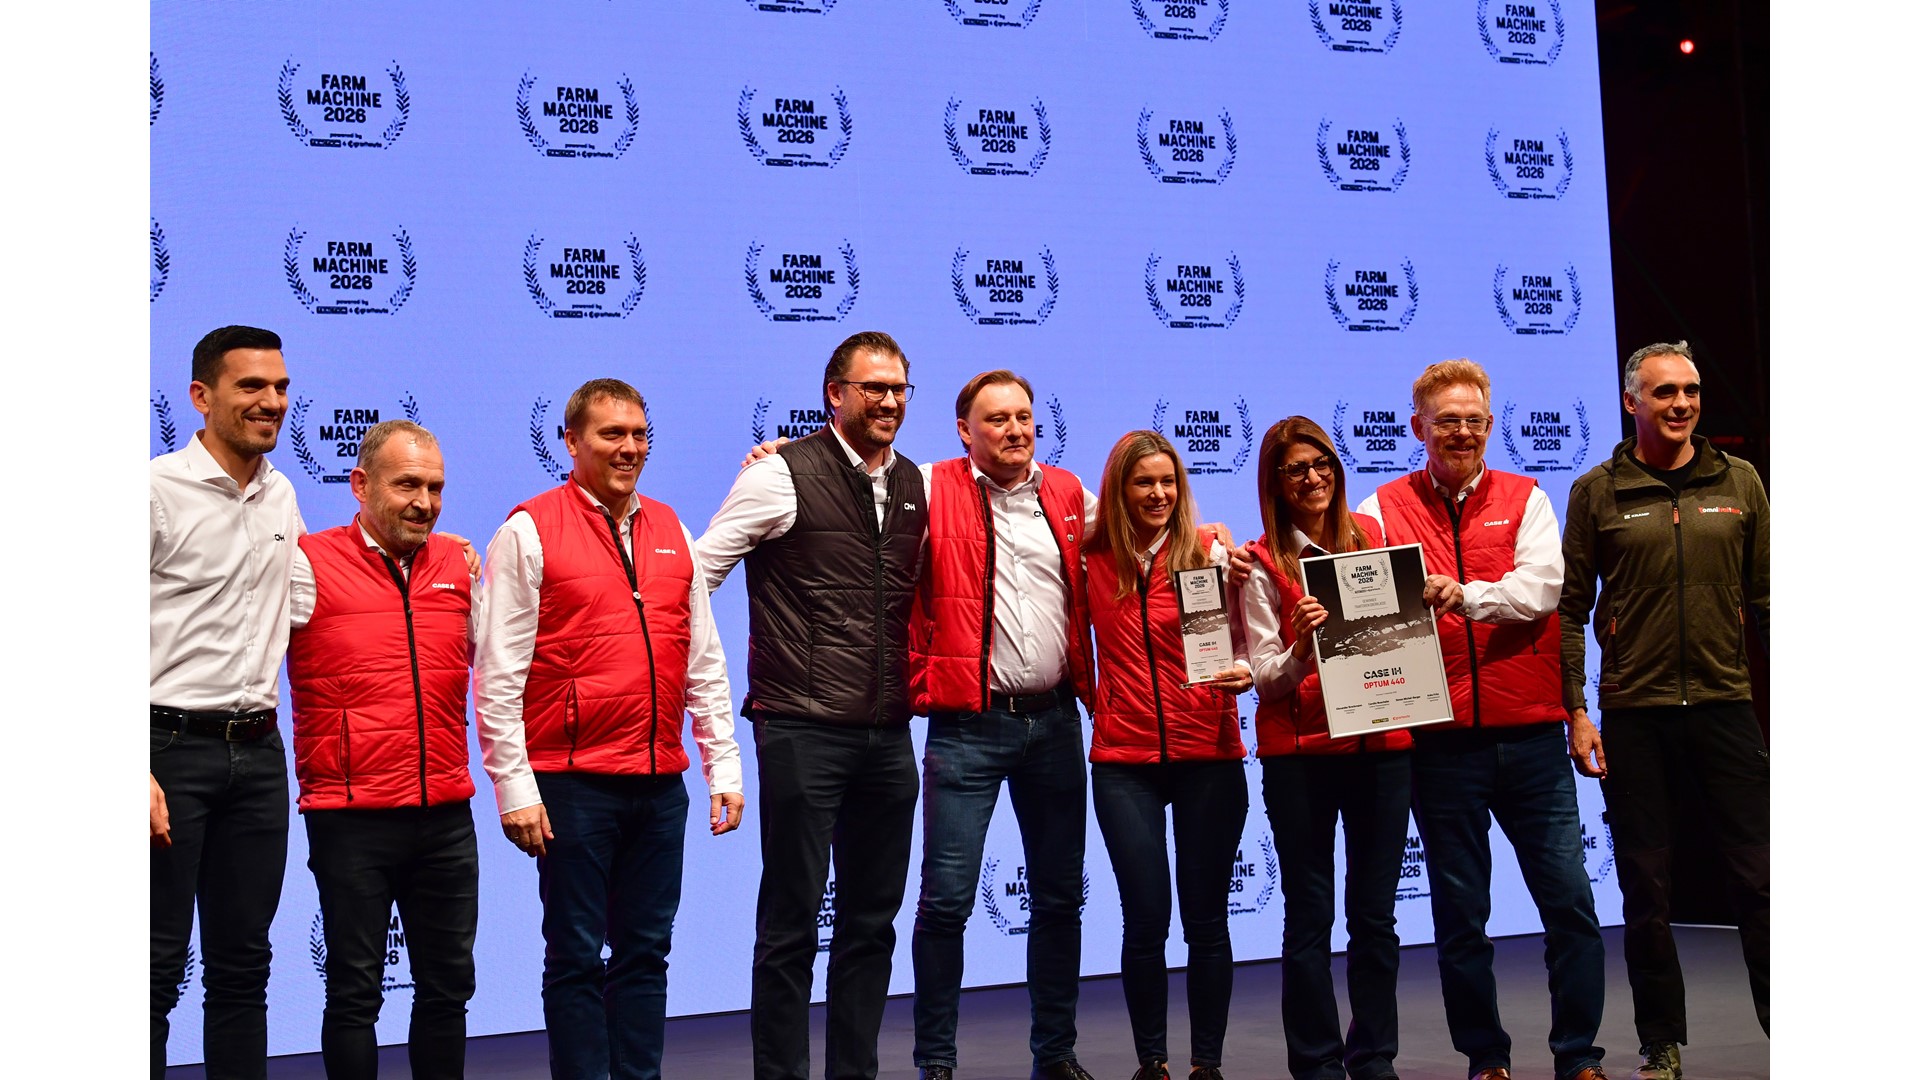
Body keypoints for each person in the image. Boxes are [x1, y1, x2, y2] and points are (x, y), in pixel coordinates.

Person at [474, 378, 744, 1080]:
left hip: (658, 784)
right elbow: (498, 675)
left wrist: (723, 766)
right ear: (571, 442)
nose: (629, 448)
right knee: (573, 955)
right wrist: (513, 787)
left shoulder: (672, 530)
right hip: (570, 785)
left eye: (638, 434)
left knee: (646, 953)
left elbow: (703, 660)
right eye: (611, 435)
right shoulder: (528, 530)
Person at [1355, 359, 1609, 1080]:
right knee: (1460, 917)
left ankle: (1578, 1056)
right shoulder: (1380, 510)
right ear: (1418, 429)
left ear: (1491, 426)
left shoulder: (1527, 499)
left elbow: (1540, 591)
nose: (1461, 433)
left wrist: (1463, 595)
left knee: (1570, 903)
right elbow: (1345, 580)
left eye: (1473, 421)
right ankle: (1485, 1058)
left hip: (1529, 735)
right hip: (1439, 746)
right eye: (1446, 422)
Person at [699, 331, 929, 1080]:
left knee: (870, 927)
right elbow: (698, 576)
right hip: (800, 727)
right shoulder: (779, 475)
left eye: (899, 389)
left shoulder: (917, 484)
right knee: (792, 924)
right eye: (874, 388)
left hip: (888, 734)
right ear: (835, 393)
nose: (889, 402)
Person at [1557, 341, 1769, 1080]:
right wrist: (1577, 711)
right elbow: (1570, 608)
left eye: (1691, 391)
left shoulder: (1739, 481)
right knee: (1646, 888)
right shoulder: (1597, 491)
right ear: (1631, 402)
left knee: (1761, 881)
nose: (1681, 404)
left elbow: (1768, 600)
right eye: (1664, 393)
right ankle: (1661, 1042)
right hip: (1635, 714)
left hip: (1724, 707)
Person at [907, 370, 1100, 1080]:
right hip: (968, 728)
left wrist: (1202, 533)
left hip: (1053, 725)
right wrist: (778, 456)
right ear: (965, 431)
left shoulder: (1070, 492)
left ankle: (1056, 1056)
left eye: (1023, 416)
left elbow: (1147, 532)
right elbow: (844, 478)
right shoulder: (927, 486)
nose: (1015, 430)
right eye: (997, 420)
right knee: (947, 901)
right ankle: (936, 1063)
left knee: (1057, 897)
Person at [286, 419, 480, 1080]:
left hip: (446, 812)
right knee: (354, 996)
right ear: (360, 485)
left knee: (448, 989)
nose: (424, 501)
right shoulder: (305, 562)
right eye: (407, 485)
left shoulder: (459, 563)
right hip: (350, 815)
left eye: (435, 487)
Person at [151, 325, 305, 1080]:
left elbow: (307, 599)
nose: (271, 402)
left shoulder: (282, 491)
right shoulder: (151, 492)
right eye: (251, 387)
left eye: (278, 386)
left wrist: (441, 557)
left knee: (243, 971)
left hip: (259, 754)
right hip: (164, 752)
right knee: (147, 974)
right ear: (201, 396)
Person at [1241, 417, 1412, 1080]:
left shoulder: (1374, 542)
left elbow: (1400, 644)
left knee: (1375, 916)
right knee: (1309, 918)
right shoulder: (1260, 564)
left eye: (1323, 465)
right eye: (1296, 470)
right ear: (1276, 484)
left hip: (1382, 748)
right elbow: (1263, 676)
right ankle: (1315, 1063)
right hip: (1301, 758)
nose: (1313, 478)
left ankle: (1374, 1058)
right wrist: (1304, 645)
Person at [1081, 431, 1250, 1080]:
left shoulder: (1212, 551)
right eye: (1143, 483)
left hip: (1208, 751)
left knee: (1206, 919)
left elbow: (1247, 639)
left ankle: (1206, 1064)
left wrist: (1243, 669)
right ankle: (1152, 1062)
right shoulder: (1093, 556)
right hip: (1124, 761)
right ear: (1119, 490)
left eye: (1168, 482)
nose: (1158, 494)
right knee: (1146, 916)